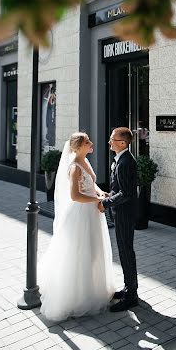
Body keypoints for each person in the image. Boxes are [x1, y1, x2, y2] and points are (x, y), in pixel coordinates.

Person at [39, 132, 116, 322]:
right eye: (88, 141)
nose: (91, 143)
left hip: (91, 212)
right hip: (80, 214)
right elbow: (75, 196)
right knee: (80, 252)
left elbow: (91, 184)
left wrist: (100, 192)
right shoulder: (74, 167)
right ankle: (76, 296)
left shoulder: (85, 161)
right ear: (79, 146)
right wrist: (97, 199)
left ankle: (92, 288)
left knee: (93, 251)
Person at [98, 127, 139, 312]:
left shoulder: (125, 162)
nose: (109, 142)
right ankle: (129, 288)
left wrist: (106, 203)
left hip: (124, 213)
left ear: (122, 143)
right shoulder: (120, 159)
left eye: (112, 139)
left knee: (126, 252)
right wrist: (110, 194)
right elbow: (120, 189)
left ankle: (131, 296)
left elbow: (127, 193)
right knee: (124, 251)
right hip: (120, 211)